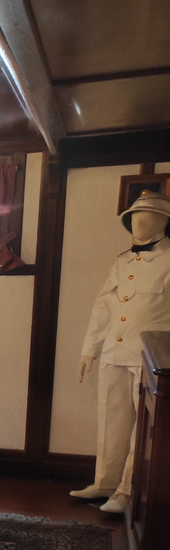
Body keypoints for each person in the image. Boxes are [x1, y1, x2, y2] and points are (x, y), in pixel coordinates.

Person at [72, 190, 170, 514]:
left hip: (150, 358)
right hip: (114, 350)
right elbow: (104, 306)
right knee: (110, 421)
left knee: (143, 430)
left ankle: (127, 491)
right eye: (134, 217)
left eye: (146, 216)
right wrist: (90, 350)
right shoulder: (123, 261)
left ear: (163, 222)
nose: (138, 222)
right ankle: (105, 482)